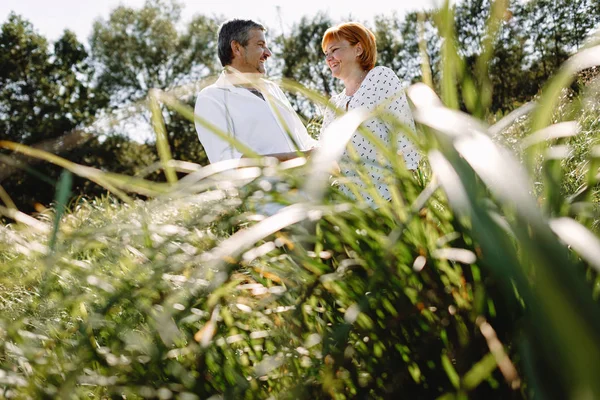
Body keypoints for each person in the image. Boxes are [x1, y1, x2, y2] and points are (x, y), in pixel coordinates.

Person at [320, 22, 420, 205]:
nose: (329, 58)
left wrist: (406, 195)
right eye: (326, 53)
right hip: (352, 211)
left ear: (358, 49)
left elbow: (404, 134)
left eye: (334, 50)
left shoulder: (380, 77)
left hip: (390, 198)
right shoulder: (334, 104)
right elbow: (325, 159)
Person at [194, 19, 317, 164]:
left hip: (305, 185)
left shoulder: (273, 89)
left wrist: (322, 151)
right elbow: (227, 162)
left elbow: (304, 140)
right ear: (237, 48)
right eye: (260, 45)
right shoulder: (211, 98)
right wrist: (299, 158)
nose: (268, 53)